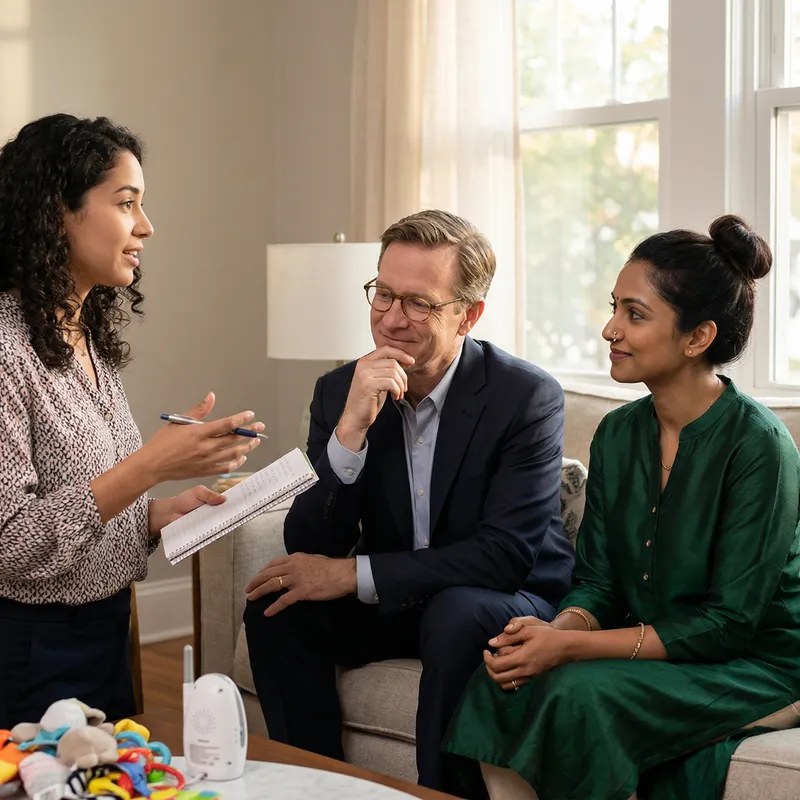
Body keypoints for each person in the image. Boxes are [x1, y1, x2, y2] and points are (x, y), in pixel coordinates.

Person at [443, 214, 800, 800]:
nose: (610, 328)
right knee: (504, 676)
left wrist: (572, 648)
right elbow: (599, 581)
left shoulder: (760, 446)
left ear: (697, 337)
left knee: (577, 692)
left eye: (635, 314)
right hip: (665, 653)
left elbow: (729, 624)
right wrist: (553, 633)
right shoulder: (618, 433)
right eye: (614, 307)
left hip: (758, 664)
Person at [243, 209, 575, 794]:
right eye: (384, 295)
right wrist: (350, 432)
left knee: (455, 614)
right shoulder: (340, 390)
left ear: (468, 314)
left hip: (505, 600)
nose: (393, 319)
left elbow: (503, 556)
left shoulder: (524, 396)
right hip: (402, 597)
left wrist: (353, 575)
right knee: (278, 608)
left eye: (418, 303)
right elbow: (309, 543)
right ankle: (319, 789)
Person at [0, 113, 265, 728]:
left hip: (104, 632)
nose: (146, 226)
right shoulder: (7, 350)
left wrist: (155, 512)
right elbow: (11, 544)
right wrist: (152, 464)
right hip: (30, 652)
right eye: (127, 203)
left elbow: (73, 505)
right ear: (57, 211)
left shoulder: (81, 337)